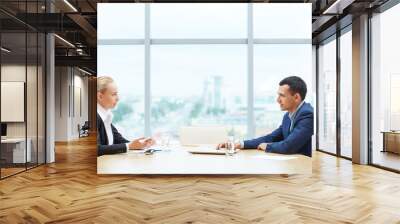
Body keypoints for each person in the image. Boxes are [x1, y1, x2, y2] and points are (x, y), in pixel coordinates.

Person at [218, 76, 314, 157]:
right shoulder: (288, 116)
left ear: (296, 97)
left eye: (282, 96)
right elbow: (271, 138)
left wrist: (267, 147)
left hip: (306, 172)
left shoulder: (307, 115)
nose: (278, 100)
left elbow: (289, 146)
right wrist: (240, 144)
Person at [97, 76, 155, 156]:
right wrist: (130, 146)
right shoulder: (95, 117)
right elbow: (97, 149)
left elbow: (119, 140)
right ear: (100, 96)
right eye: (114, 94)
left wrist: (139, 144)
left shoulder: (105, 116)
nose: (118, 98)